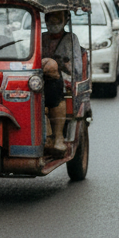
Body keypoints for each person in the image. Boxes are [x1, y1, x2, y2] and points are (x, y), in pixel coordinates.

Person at [40, 9, 83, 153]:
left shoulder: (71, 39)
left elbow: (77, 67)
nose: (53, 20)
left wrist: (60, 65)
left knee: (56, 86)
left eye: (57, 17)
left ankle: (58, 137)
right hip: (42, 77)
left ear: (66, 19)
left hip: (64, 78)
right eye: (50, 17)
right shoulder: (41, 37)